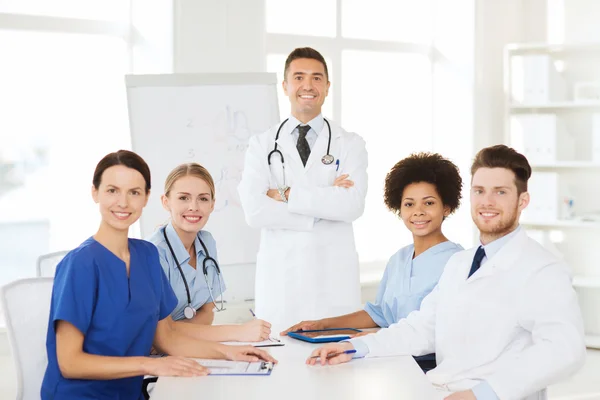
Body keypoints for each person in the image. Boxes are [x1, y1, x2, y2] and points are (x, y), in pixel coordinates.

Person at [307, 145, 585, 400]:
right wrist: (354, 348)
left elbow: (564, 351)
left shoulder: (542, 269)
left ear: (522, 201)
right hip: (439, 389)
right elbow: (422, 326)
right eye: (479, 191)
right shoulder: (460, 264)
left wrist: (482, 394)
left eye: (500, 192)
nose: (487, 202)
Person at [41, 150, 276, 400]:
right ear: (94, 193)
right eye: (112, 190)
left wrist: (229, 353)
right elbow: (69, 362)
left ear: (146, 198)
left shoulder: (147, 256)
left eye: (134, 192)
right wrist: (149, 365)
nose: (123, 202)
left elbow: (168, 338)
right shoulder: (79, 264)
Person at [281, 153, 463, 370]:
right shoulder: (399, 259)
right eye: (409, 204)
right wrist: (320, 324)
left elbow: (438, 330)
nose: (418, 212)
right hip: (389, 356)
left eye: (429, 203)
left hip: (430, 365)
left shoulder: (458, 262)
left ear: (447, 207)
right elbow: (379, 314)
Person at [238, 47, 368, 330]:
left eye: (316, 78)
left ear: (327, 87)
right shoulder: (261, 144)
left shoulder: (351, 143)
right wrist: (322, 207)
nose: (307, 85)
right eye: (298, 77)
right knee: (279, 364)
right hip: (282, 283)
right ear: (285, 86)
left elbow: (351, 205)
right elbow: (255, 211)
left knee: (337, 367)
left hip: (333, 283)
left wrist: (285, 194)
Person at [147, 163, 272, 342]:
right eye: (183, 198)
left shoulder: (206, 243)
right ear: (165, 202)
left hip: (188, 346)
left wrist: (177, 330)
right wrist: (238, 332)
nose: (194, 207)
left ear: (212, 204)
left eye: (203, 199)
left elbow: (207, 313)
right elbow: (160, 333)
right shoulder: (153, 253)